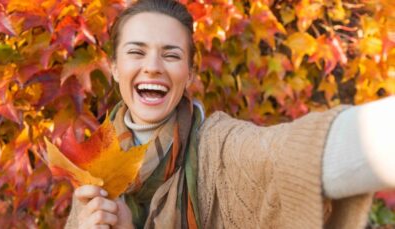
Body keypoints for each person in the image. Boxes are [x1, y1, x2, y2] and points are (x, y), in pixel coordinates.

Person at [64, 0, 395, 228]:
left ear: (191, 73)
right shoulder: (96, 161)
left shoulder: (219, 148)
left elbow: (282, 153)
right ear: (115, 69)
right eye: (136, 52)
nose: (152, 67)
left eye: (171, 55)